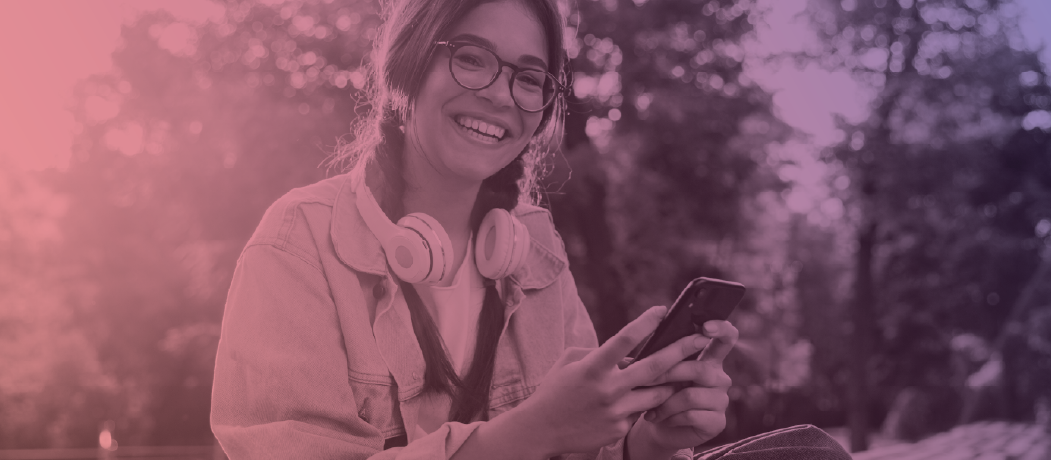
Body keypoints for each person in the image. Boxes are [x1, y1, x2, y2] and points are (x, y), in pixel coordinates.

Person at [210, 0, 851, 459]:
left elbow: (586, 446)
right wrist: (529, 434)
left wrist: (648, 441)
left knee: (810, 453)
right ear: (408, 64)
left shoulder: (534, 247)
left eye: (528, 78)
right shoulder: (299, 242)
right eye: (471, 59)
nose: (501, 96)